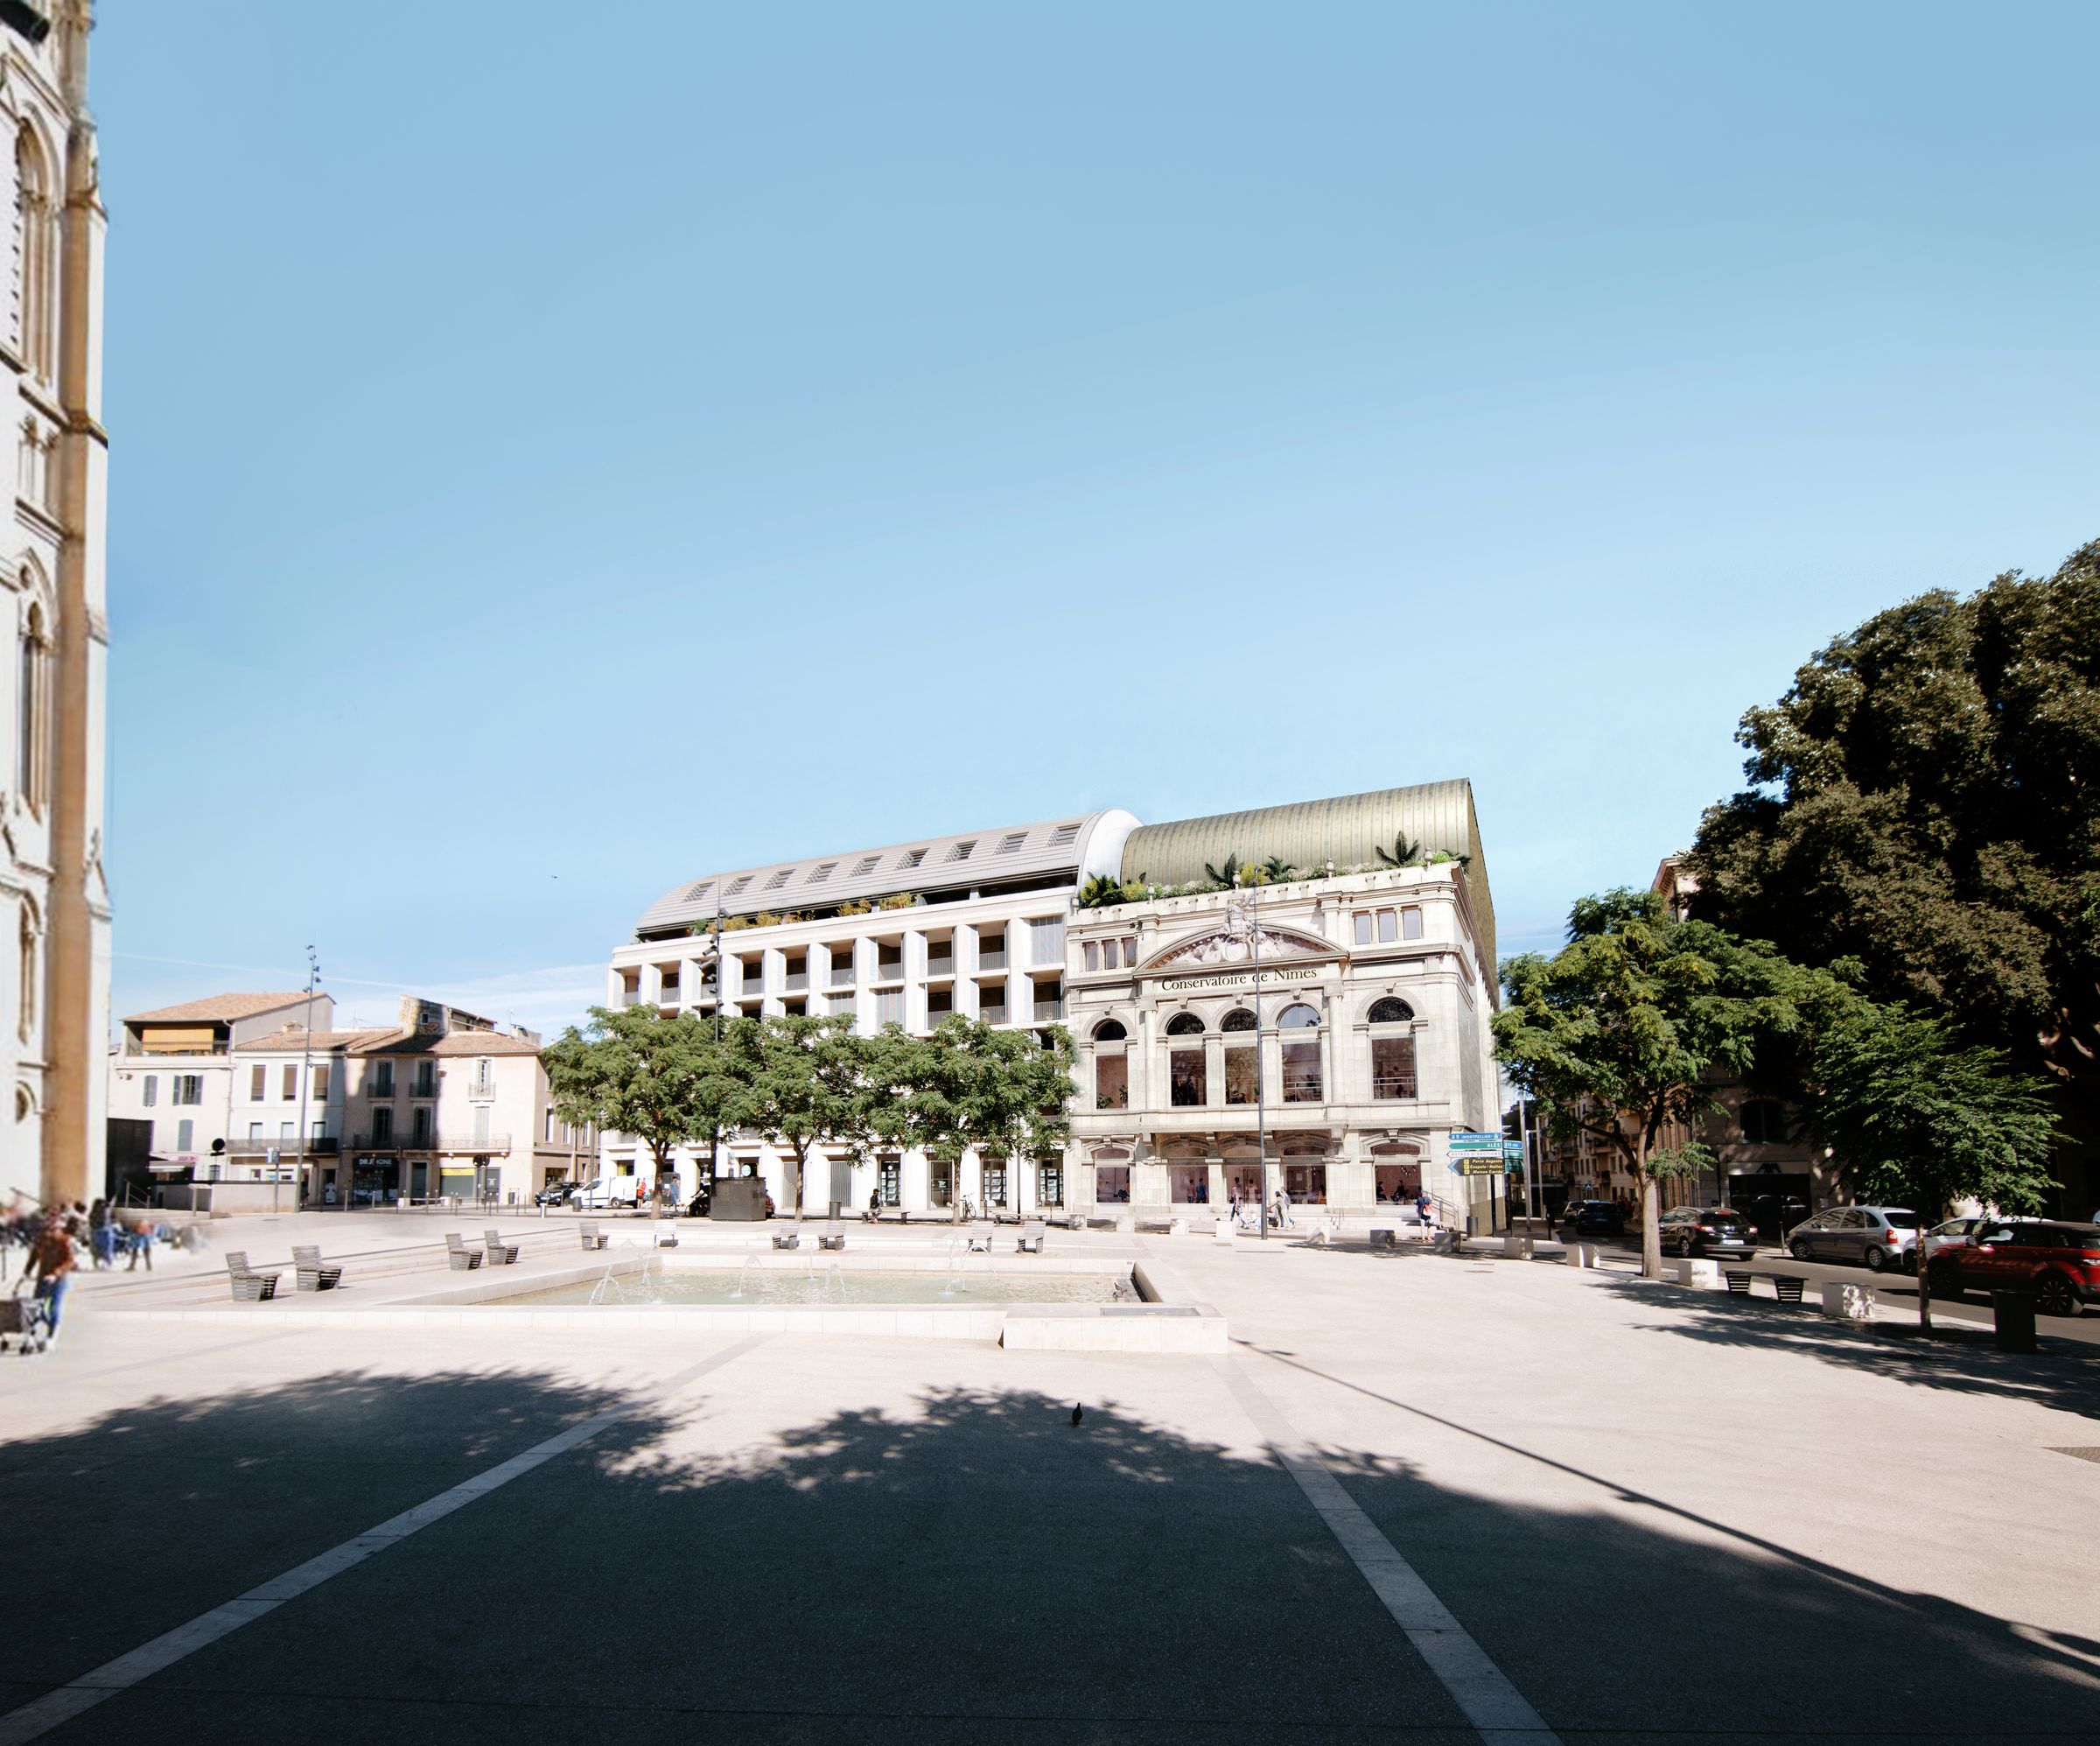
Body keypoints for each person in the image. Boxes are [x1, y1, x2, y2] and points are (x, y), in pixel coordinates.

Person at [19, 1211, 76, 1344]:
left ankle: (51, 1335)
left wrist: (56, 1274)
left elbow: (70, 1261)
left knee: (53, 1307)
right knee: (36, 1306)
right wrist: (26, 1272)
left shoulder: (64, 1241)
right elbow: (33, 1257)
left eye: (52, 1228)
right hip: (42, 1277)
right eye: (46, 1228)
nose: (48, 1232)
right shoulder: (41, 1240)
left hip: (58, 1279)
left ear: (59, 1228)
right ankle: (31, 1334)